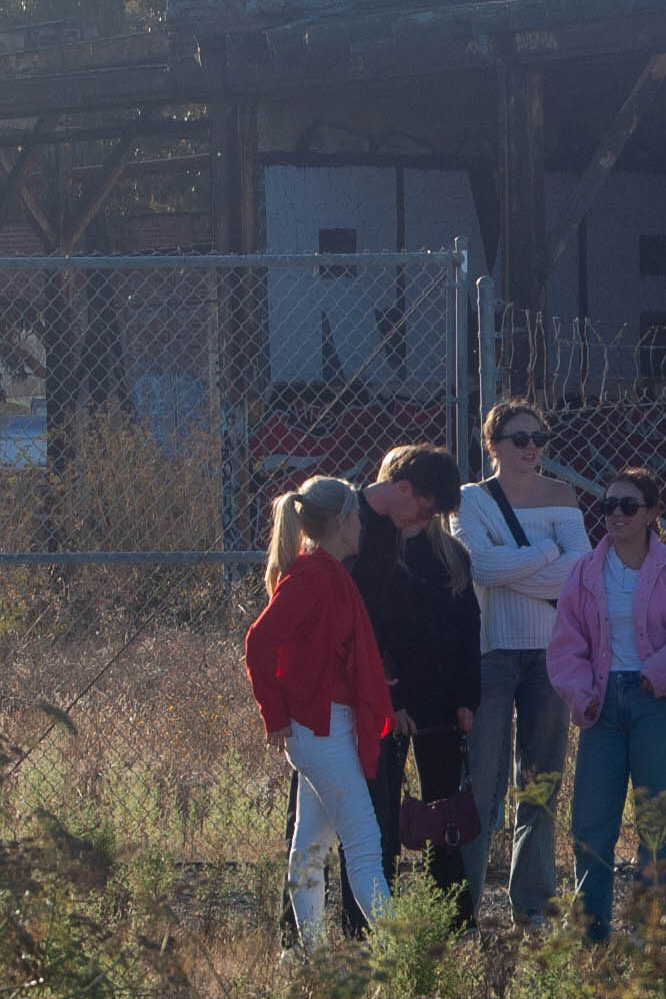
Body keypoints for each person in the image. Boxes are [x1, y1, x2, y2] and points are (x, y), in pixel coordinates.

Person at [292, 444, 469, 938]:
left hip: (362, 705)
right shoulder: (343, 525)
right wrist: (278, 713)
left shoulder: (390, 532)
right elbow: (290, 634)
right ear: (403, 489)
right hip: (325, 711)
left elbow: (382, 627)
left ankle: (329, 943)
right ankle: (380, 944)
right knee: (360, 836)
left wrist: (391, 693)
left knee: (324, 836)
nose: (425, 521)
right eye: (425, 509)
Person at [545, 467, 666, 944]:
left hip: (659, 704)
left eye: (628, 505)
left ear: (652, 512)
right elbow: (567, 644)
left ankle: (650, 931)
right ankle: (589, 931)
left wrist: (657, 671)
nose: (616, 514)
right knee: (591, 823)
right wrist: (581, 694)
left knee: (656, 823)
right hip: (600, 706)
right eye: (608, 506)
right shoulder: (585, 571)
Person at [455, 400, 592, 927]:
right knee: (481, 783)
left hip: (551, 656)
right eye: (519, 439)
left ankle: (532, 906)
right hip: (490, 654)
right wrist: (545, 553)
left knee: (540, 783)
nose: (531, 447)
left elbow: (579, 573)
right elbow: (480, 567)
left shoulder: (562, 496)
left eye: (539, 438)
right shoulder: (472, 499)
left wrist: (515, 564)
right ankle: (462, 910)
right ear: (493, 445)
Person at [243, 473, 394, 949]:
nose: (362, 527)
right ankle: (404, 956)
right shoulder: (314, 576)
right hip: (321, 729)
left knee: (309, 849)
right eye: (357, 518)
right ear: (343, 521)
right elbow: (259, 642)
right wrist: (275, 715)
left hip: (323, 727)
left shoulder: (322, 573)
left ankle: (309, 956)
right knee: (365, 847)